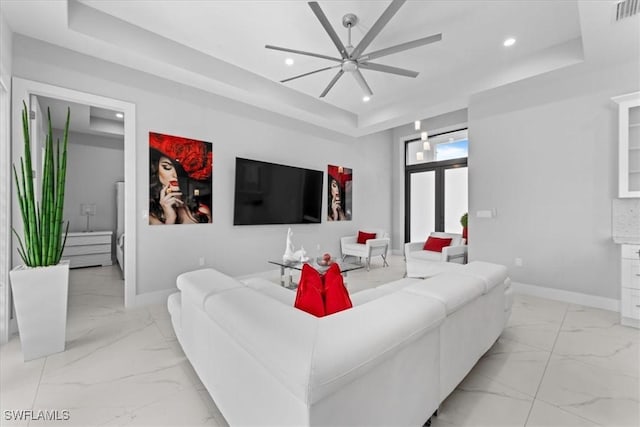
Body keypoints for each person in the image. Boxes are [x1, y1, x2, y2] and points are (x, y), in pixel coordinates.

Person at [149, 147, 212, 224]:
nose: (175, 175)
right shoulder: (150, 214)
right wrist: (170, 218)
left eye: (180, 169)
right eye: (167, 167)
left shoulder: (201, 210)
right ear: (156, 170)